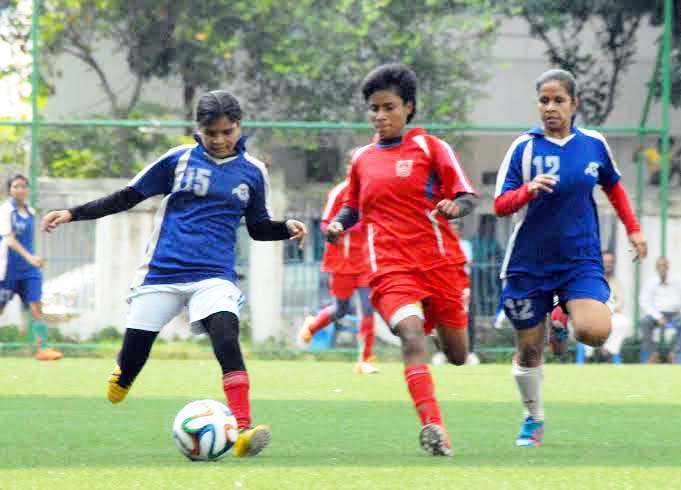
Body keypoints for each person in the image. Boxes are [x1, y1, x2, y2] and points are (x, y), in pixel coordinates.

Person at [41, 90, 308, 457]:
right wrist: (72, 213)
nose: (218, 140)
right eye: (209, 133)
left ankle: (244, 430)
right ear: (197, 129)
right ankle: (125, 373)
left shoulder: (253, 172)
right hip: (162, 273)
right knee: (133, 359)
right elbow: (127, 197)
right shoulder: (177, 160)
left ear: (239, 127)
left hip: (213, 275)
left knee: (226, 337)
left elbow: (258, 227)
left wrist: (285, 227)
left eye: (226, 132)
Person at [326, 64, 478, 456]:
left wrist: (453, 208)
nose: (380, 116)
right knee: (410, 336)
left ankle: (432, 323)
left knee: (458, 356)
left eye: (388, 107)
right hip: (389, 268)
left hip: (440, 264)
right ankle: (434, 428)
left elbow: (467, 196)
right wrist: (337, 226)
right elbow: (351, 207)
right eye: (373, 109)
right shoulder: (362, 158)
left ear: (408, 107)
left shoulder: (432, 148)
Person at [494, 69, 647, 447]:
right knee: (529, 350)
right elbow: (499, 204)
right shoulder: (523, 149)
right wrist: (527, 190)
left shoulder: (593, 144)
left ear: (575, 104)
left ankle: (561, 316)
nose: (550, 108)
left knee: (596, 332)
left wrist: (634, 228)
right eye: (544, 101)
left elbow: (612, 185)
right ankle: (533, 419)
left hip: (580, 259)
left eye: (558, 100)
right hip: (529, 263)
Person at [298, 153, 378, 374]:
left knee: (367, 308)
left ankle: (365, 360)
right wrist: (348, 227)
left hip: (365, 261)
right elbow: (325, 226)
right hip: (341, 262)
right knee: (341, 309)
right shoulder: (339, 192)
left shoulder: (374, 191)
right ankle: (312, 325)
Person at [0, 174, 63, 361]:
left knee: (36, 305)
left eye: (23, 186)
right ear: (9, 190)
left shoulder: (32, 212)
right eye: (15, 186)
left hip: (29, 270)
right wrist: (30, 257)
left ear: (28, 189)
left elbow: (29, 240)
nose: (19, 189)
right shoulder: (5, 211)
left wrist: (36, 258)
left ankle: (42, 349)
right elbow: (9, 240)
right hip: (8, 269)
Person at [639, 256, 681, 363]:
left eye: (664, 265)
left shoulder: (677, 281)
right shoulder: (650, 282)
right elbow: (644, 302)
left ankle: (674, 353)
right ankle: (652, 354)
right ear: (656, 268)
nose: (662, 268)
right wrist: (658, 316)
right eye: (659, 266)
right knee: (644, 322)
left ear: (668, 267)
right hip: (656, 314)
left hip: (674, 313)